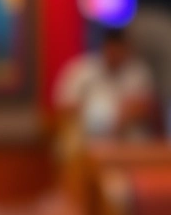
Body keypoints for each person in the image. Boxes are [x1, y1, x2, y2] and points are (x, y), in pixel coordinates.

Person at [53, 27, 155, 160]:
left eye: (121, 50)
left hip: (128, 148)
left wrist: (120, 118)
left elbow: (146, 108)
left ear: (128, 49)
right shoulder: (80, 71)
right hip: (86, 145)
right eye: (112, 49)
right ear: (104, 47)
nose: (116, 55)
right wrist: (89, 117)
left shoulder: (138, 73)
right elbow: (64, 109)